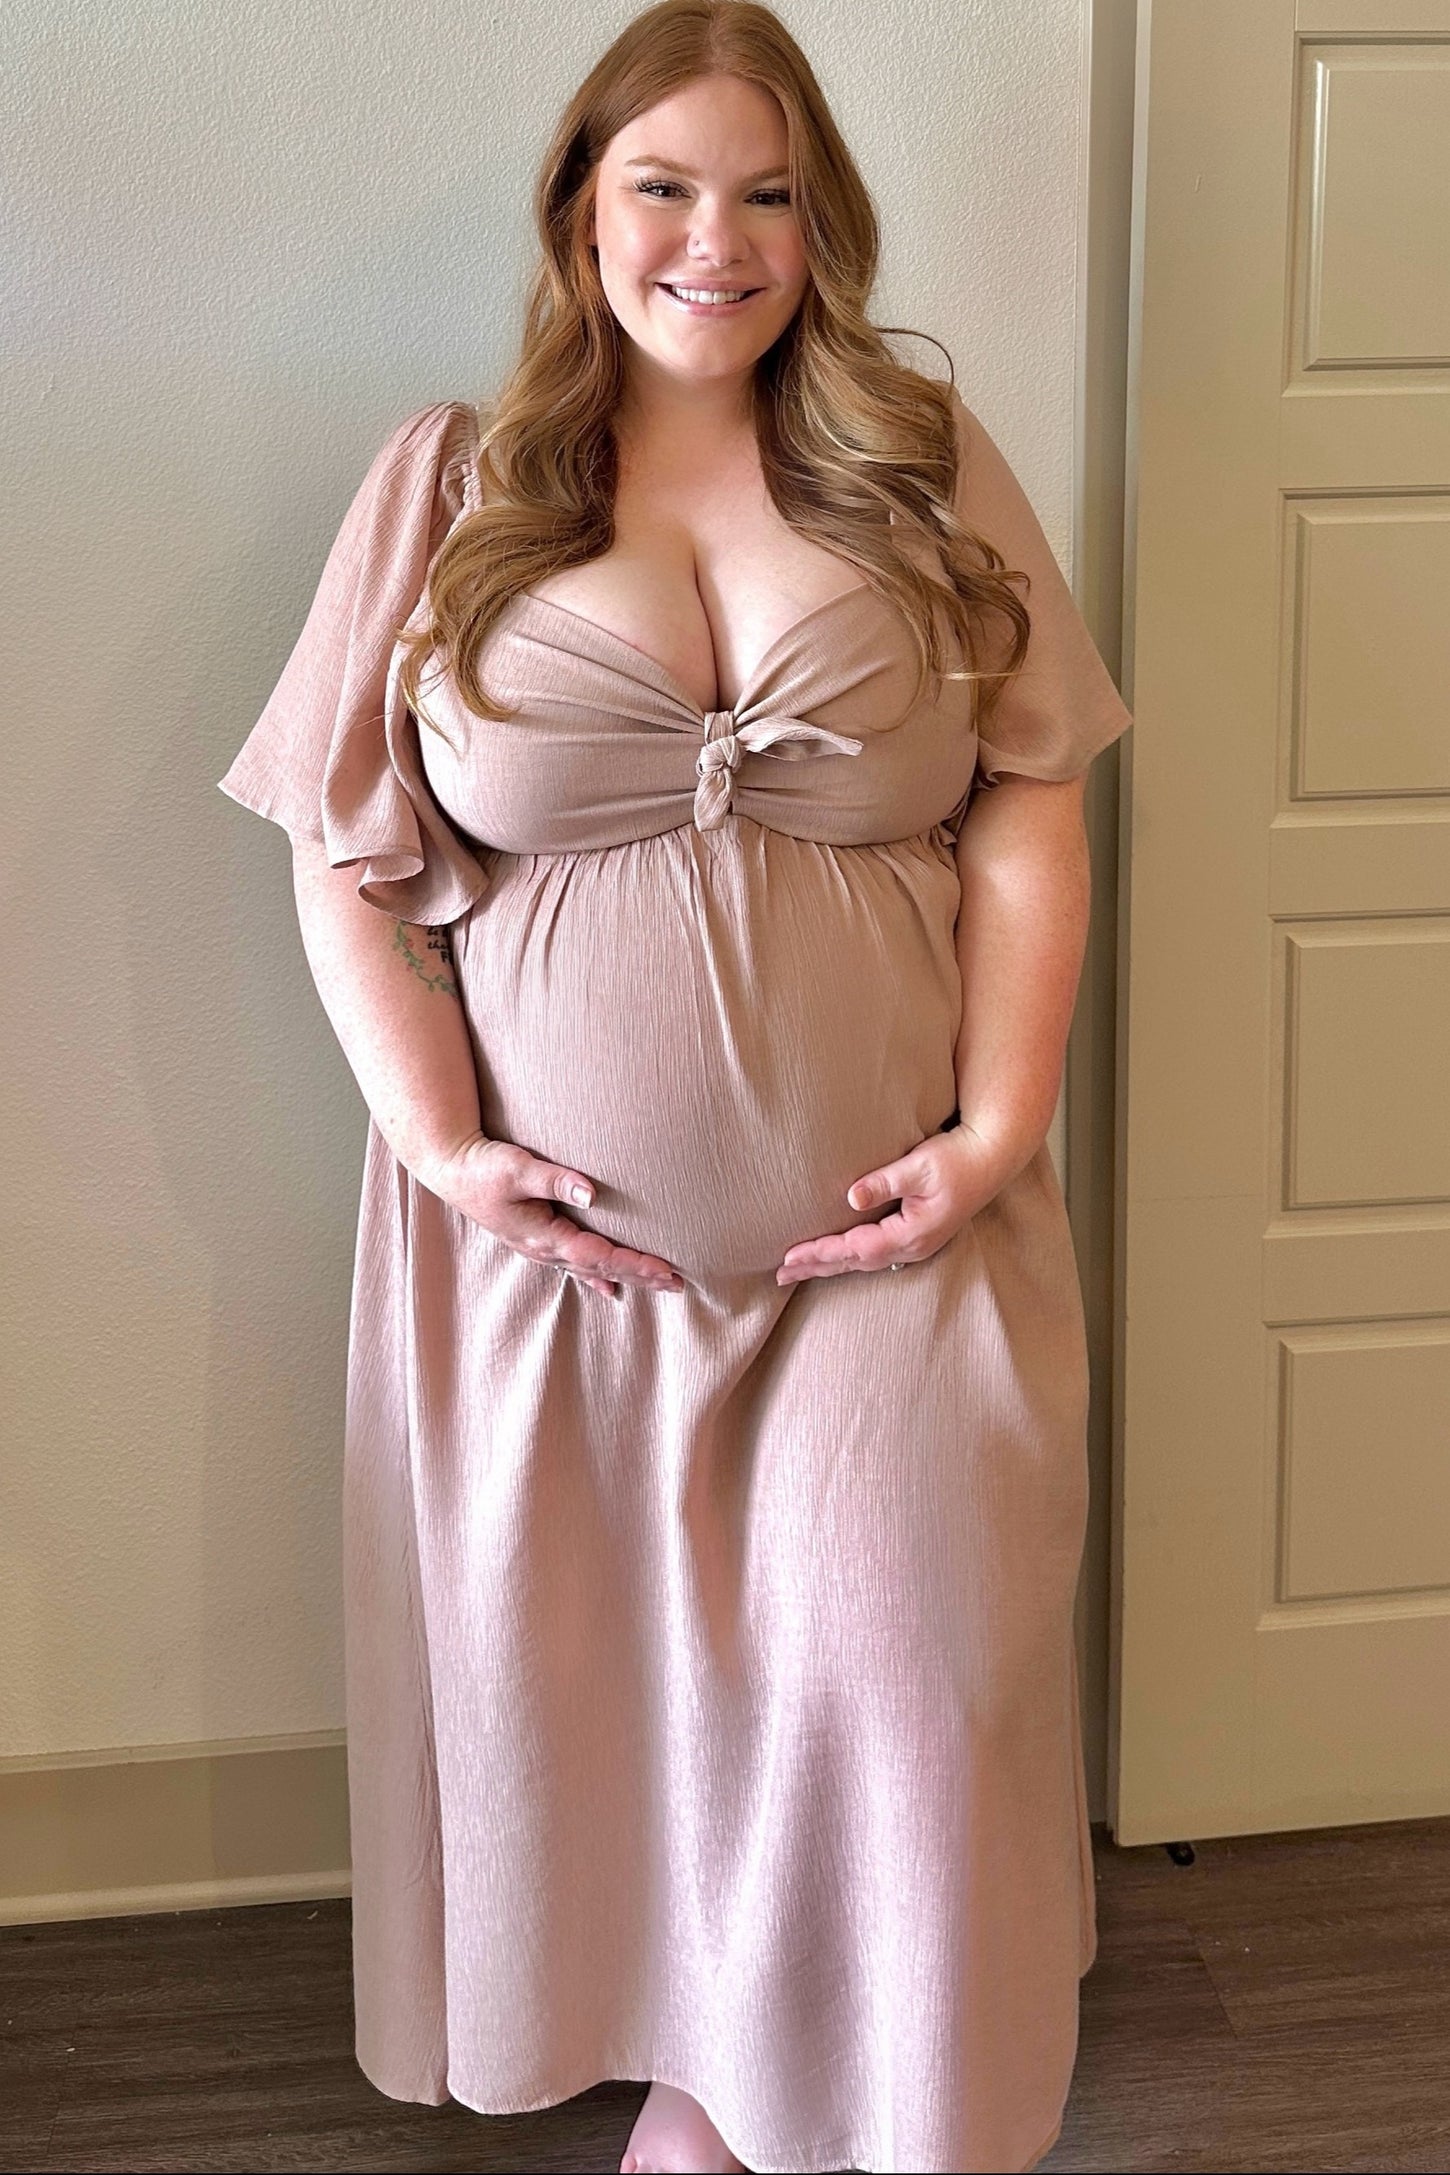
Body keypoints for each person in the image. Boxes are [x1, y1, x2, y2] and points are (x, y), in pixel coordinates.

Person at [217, 3, 1133, 2169]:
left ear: (821, 226)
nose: (712, 242)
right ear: (579, 211)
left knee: (899, 1669)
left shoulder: (916, 462)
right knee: (602, 1702)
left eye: (766, 195)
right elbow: (341, 850)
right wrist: (444, 1144)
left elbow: (1029, 796)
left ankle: (856, 2107)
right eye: (662, 186)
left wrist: (998, 1125)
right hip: (558, 1266)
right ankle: (702, 2106)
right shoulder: (452, 484)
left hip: (891, 1236)